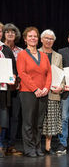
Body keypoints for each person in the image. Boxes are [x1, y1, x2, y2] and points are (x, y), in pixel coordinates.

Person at [17, 27, 52, 157]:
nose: (33, 38)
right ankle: (29, 149)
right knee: (28, 123)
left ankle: (38, 147)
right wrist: (35, 89)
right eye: (30, 36)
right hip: (28, 92)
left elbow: (49, 73)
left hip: (43, 92)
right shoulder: (22, 54)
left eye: (35, 36)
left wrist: (46, 88)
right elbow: (22, 73)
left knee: (39, 123)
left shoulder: (43, 55)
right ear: (25, 39)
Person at [39, 29, 63, 155]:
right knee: (37, 120)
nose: (48, 41)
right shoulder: (35, 53)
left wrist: (61, 87)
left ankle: (48, 147)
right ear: (41, 39)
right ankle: (37, 145)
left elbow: (62, 74)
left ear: (53, 41)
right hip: (37, 92)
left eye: (51, 39)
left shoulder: (58, 56)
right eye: (46, 38)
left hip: (53, 92)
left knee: (51, 121)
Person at [1, 23, 23, 156]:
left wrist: (17, 77)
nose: (10, 34)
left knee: (14, 117)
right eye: (7, 32)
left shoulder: (20, 51)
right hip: (2, 88)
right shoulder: (2, 48)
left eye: (13, 32)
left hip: (16, 88)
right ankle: (2, 144)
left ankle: (11, 145)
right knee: (3, 116)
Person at [0, 23, 17, 158]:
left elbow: (13, 70)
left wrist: (14, 76)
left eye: (1, 31)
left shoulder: (6, 50)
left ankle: (1, 146)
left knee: (3, 119)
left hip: (4, 90)